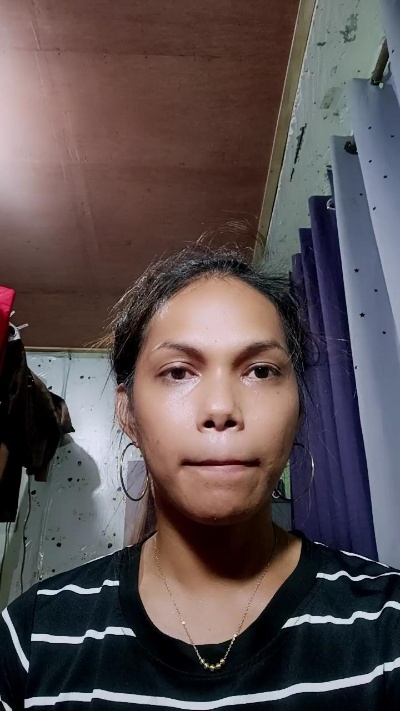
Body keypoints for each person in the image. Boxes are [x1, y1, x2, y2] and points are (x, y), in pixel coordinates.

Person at [0, 241, 399, 711]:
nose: (221, 408)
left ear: (299, 408)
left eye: (261, 371)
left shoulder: (387, 624)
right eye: (178, 372)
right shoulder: (34, 635)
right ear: (127, 413)